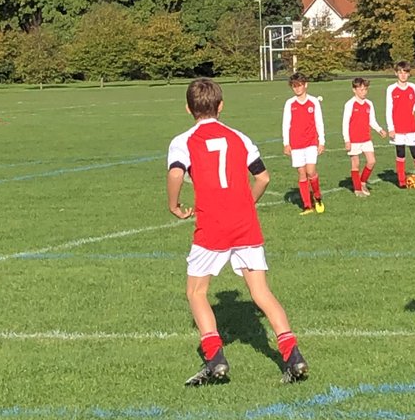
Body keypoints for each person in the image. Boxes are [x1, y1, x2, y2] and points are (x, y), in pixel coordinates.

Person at [166, 77, 308, 386]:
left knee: (196, 292)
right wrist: (247, 205)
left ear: (188, 108)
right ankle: (292, 355)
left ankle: (215, 359)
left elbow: (176, 173)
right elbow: (263, 178)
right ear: (221, 106)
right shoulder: (239, 137)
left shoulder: (183, 141)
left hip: (212, 226)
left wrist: (174, 205)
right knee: (261, 292)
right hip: (245, 224)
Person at [282, 72, 326, 214]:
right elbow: (286, 124)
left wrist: (321, 141)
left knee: (311, 171)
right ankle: (307, 205)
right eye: (294, 86)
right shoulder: (290, 103)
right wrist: (286, 143)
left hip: (311, 142)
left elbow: (319, 122)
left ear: (305, 85)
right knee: (302, 173)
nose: (297, 88)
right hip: (296, 144)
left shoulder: (313, 102)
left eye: (299, 85)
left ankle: (317, 196)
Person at [385, 61, 415, 188]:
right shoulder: (391, 89)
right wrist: (391, 128)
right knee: (400, 153)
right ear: (396, 73)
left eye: (405, 72)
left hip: (411, 127)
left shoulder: (413, 87)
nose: (403, 75)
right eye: (400, 72)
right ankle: (401, 182)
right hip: (397, 128)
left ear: (409, 74)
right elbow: (388, 109)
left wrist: (414, 106)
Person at [342, 76, 387, 196]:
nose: (364, 92)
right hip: (354, 139)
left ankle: (362, 182)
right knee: (355, 164)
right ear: (354, 90)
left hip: (366, 138)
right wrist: (347, 140)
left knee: (371, 161)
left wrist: (379, 129)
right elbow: (345, 123)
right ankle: (357, 189)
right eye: (361, 89)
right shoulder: (350, 104)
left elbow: (372, 120)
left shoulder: (369, 104)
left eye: (365, 89)